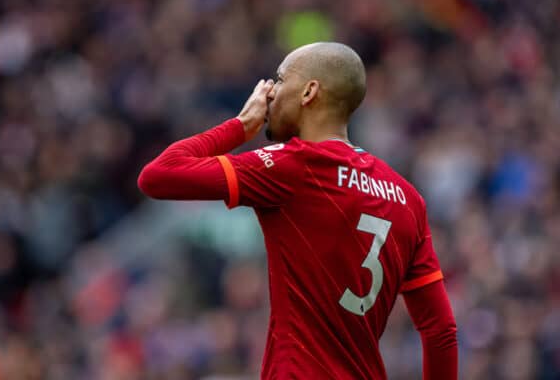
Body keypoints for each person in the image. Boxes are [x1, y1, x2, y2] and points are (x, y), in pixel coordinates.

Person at [138, 42, 457, 379]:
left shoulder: (292, 166)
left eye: (279, 79)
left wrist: (241, 126)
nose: (269, 93)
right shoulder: (407, 199)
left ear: (309, 92)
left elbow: (158, 175)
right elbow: (441, 330)